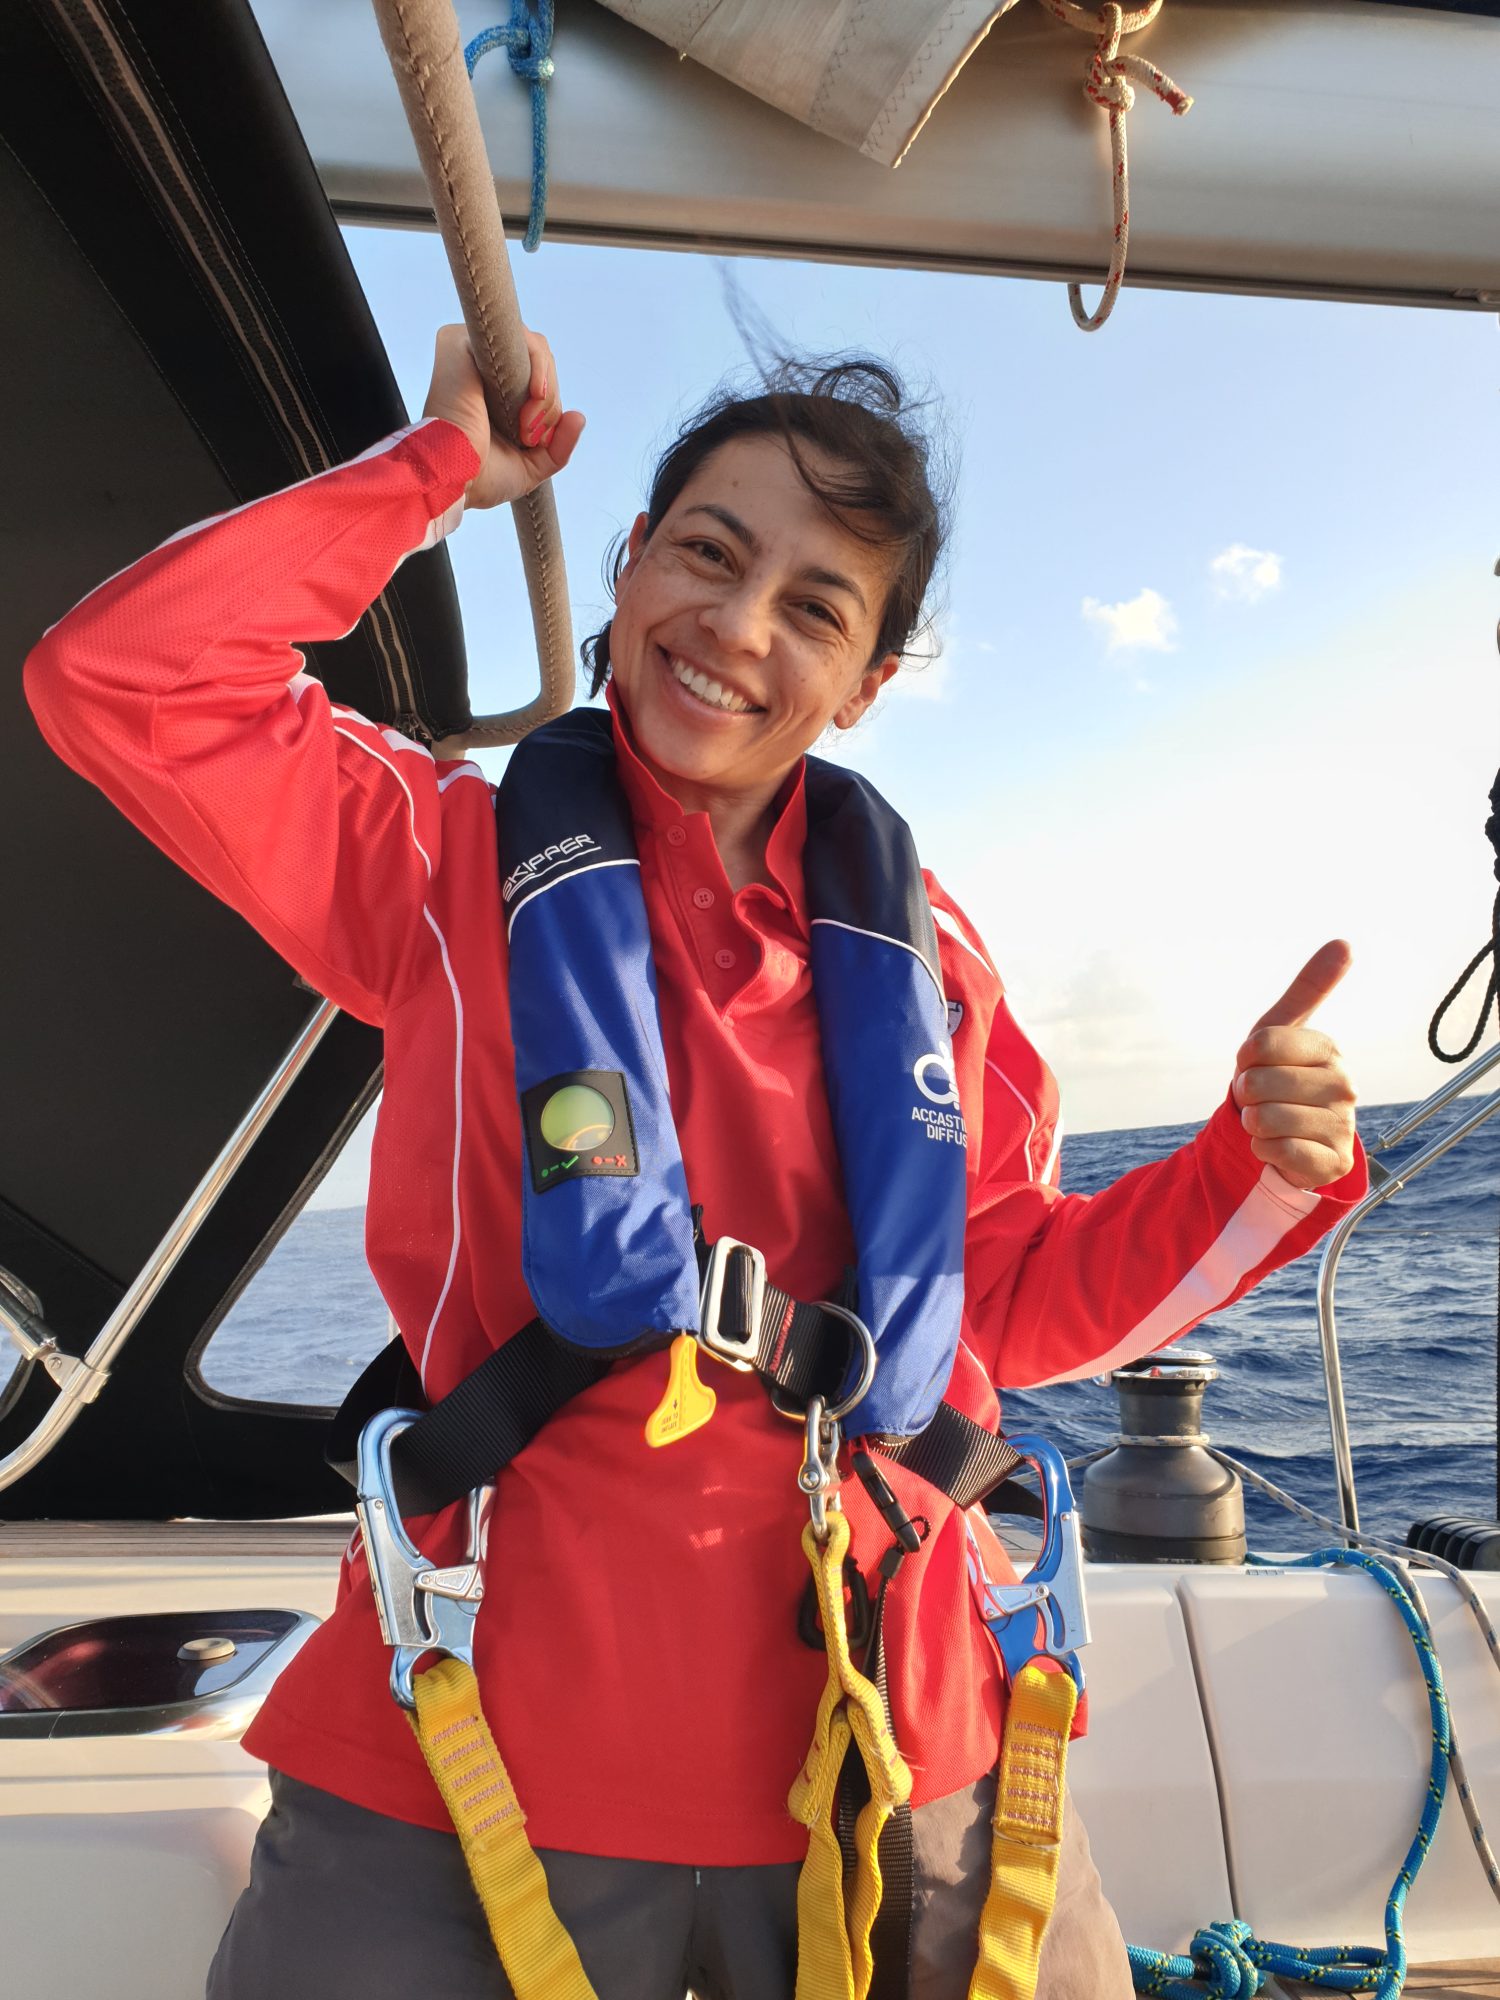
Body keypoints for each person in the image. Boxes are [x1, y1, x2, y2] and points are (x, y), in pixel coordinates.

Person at [24, 323, 1363, 2000]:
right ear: (632, 560)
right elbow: (126, 676)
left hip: (900, 1746)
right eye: (709, 555)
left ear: (866, 685)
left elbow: (1010, 1304)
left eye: (816, 608)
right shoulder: (436, 866)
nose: (737, 628)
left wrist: (1253, 1165)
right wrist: (436, 472)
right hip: (470, 1749)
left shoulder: (936, 966)